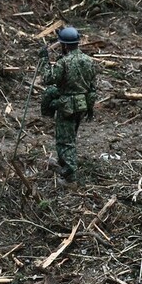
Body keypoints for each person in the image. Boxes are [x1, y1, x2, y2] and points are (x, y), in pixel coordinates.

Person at [39, 26, 97, 185]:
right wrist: (90, 108)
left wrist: (44, 60)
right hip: (82, 105)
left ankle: (70, 177)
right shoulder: (89, 60)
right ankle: (64, 165)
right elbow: (92, 87)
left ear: (64, 45)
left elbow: (48, 79)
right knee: (69, 137)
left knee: (65, 142)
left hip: (67, 107)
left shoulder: (64, 62)